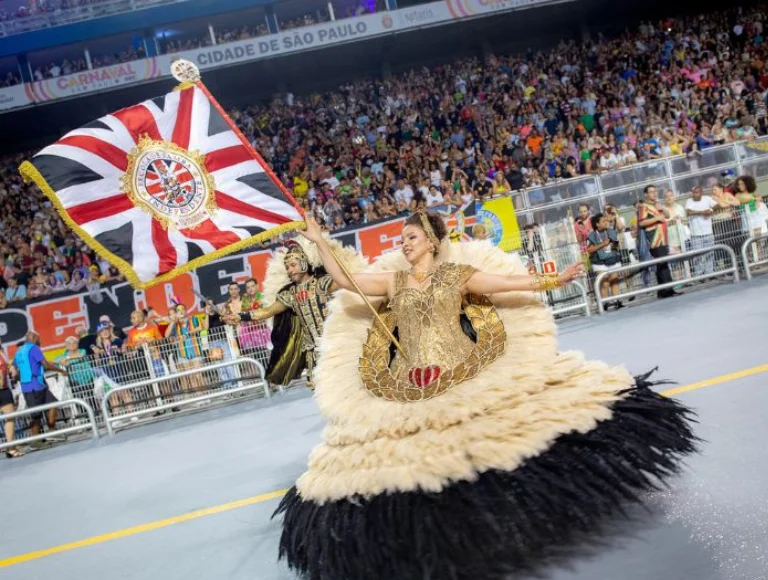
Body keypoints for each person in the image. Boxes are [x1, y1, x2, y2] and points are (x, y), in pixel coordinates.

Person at [274, 213, 697, 580]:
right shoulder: (393, 280)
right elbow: (346, 280)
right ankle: (444, 532)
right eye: (401, 240)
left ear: (433, 242)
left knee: (494, 435)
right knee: (419, 455)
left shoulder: (458, 276)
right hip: (412, 381)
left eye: (411, 238)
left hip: (464, 370)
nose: (404, 245)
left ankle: (518, 509)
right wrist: (318, 240)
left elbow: (507, 283)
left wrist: (556, 278)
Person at [250, 239, 364, 387]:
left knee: (349, 386)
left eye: (293, 265)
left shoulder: (322, 283)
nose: (290, 270)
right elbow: (268, 311)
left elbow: (347, 280)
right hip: (313, 353)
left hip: (336, 344)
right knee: (323, 392)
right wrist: (240, 317)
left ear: (304, 263)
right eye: (287, 267)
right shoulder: (290, 294)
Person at [12, 331, 68, 445]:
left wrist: (20, 377)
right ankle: (35, 441)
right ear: (33, 338)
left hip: (31, 387)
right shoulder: (34, 348)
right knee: (36, 416)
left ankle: (51, 433)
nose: (40, 341)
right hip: (34, 386)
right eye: (39, 338)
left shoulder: (19, 352)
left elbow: (13, 371)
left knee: (52, 404)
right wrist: (61, 370)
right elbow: (45, 364)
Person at [637, 185, 682, 298]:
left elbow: (667, 215)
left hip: (663, 238)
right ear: (646, 194)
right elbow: (641, 223)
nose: (654, 193)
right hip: (654, 240)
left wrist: (661, 208)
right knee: (663, 264)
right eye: (651, 192)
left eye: (655, 191)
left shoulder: (657, 204)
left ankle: (662, 291)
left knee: (662, 264)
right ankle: (667, 290)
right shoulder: (644, 206)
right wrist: (656, 219)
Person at [587, 213, 624, 310]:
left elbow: (617, 245)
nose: (606, 222)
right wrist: (602, 244)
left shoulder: (611, 232)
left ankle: (617, 301)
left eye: (606, 220)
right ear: (597, 224)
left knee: (614, 281)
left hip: (612, 258)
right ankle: (605, 303)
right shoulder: (592, 235)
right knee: (604, 283)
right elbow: (589, 250)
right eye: (603, 221)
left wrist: (615, 244)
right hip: (599, 262)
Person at [685, 186, 719, 277]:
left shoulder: (707, 199)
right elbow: (689, 212)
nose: (695, 194)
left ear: (701, 192)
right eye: (693, 192)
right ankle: (699, 275)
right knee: (697, 256)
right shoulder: (689, 201)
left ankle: (710, 273)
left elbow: (717, 205)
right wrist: (703, 212)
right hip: (695, 234)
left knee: (709, 254)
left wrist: (711, 210)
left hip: (708, 232)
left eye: (697, 192)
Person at [0, 338, 22, 458]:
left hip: (3, 390)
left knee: (10, 417)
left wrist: (11, 369)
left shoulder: (1, 352)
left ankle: (11, 447)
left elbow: (6, 367)